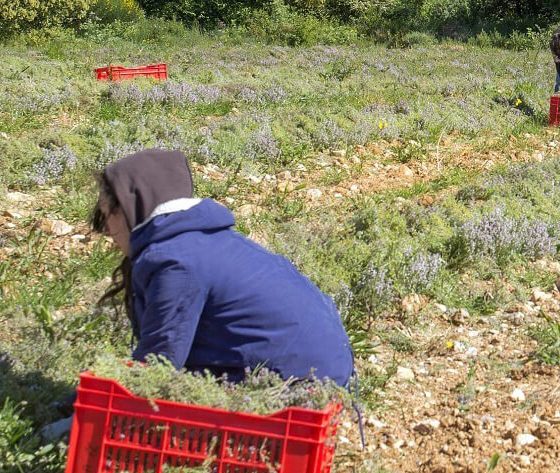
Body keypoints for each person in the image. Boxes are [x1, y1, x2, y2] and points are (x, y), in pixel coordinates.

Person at [42, 149, 356, 441]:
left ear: (130, 209)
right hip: (325, 376)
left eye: (105, 217)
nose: (107, 232)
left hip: (296, 394)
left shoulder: (176, 262)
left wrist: (71, 424)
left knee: (166, 408)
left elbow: (158, 365)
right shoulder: (203, 241)